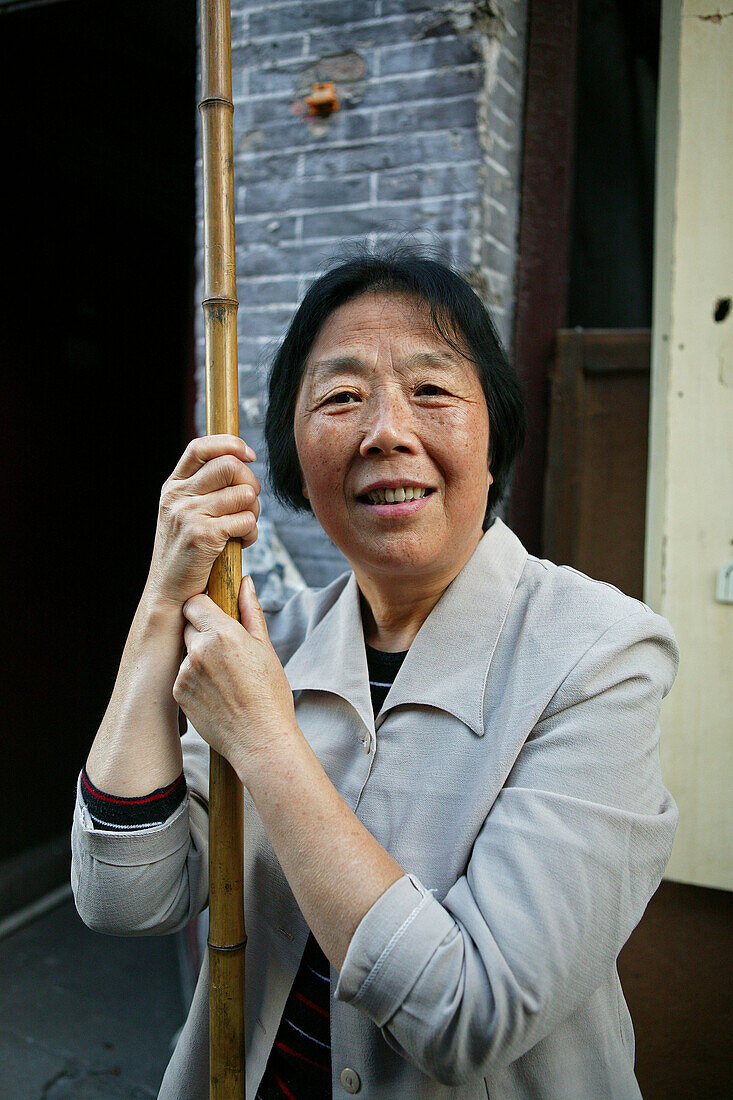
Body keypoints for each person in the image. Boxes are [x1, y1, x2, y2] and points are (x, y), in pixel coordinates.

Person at [71, 244, 679, 1099]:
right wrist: (158, 603)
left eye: (430, 390)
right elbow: (124, 897)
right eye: (341, 398)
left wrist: (266, 740)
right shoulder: (271, 643)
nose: (386, 430)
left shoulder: (600, 653)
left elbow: (472, 1017)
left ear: (495, 439)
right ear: (291, 458)